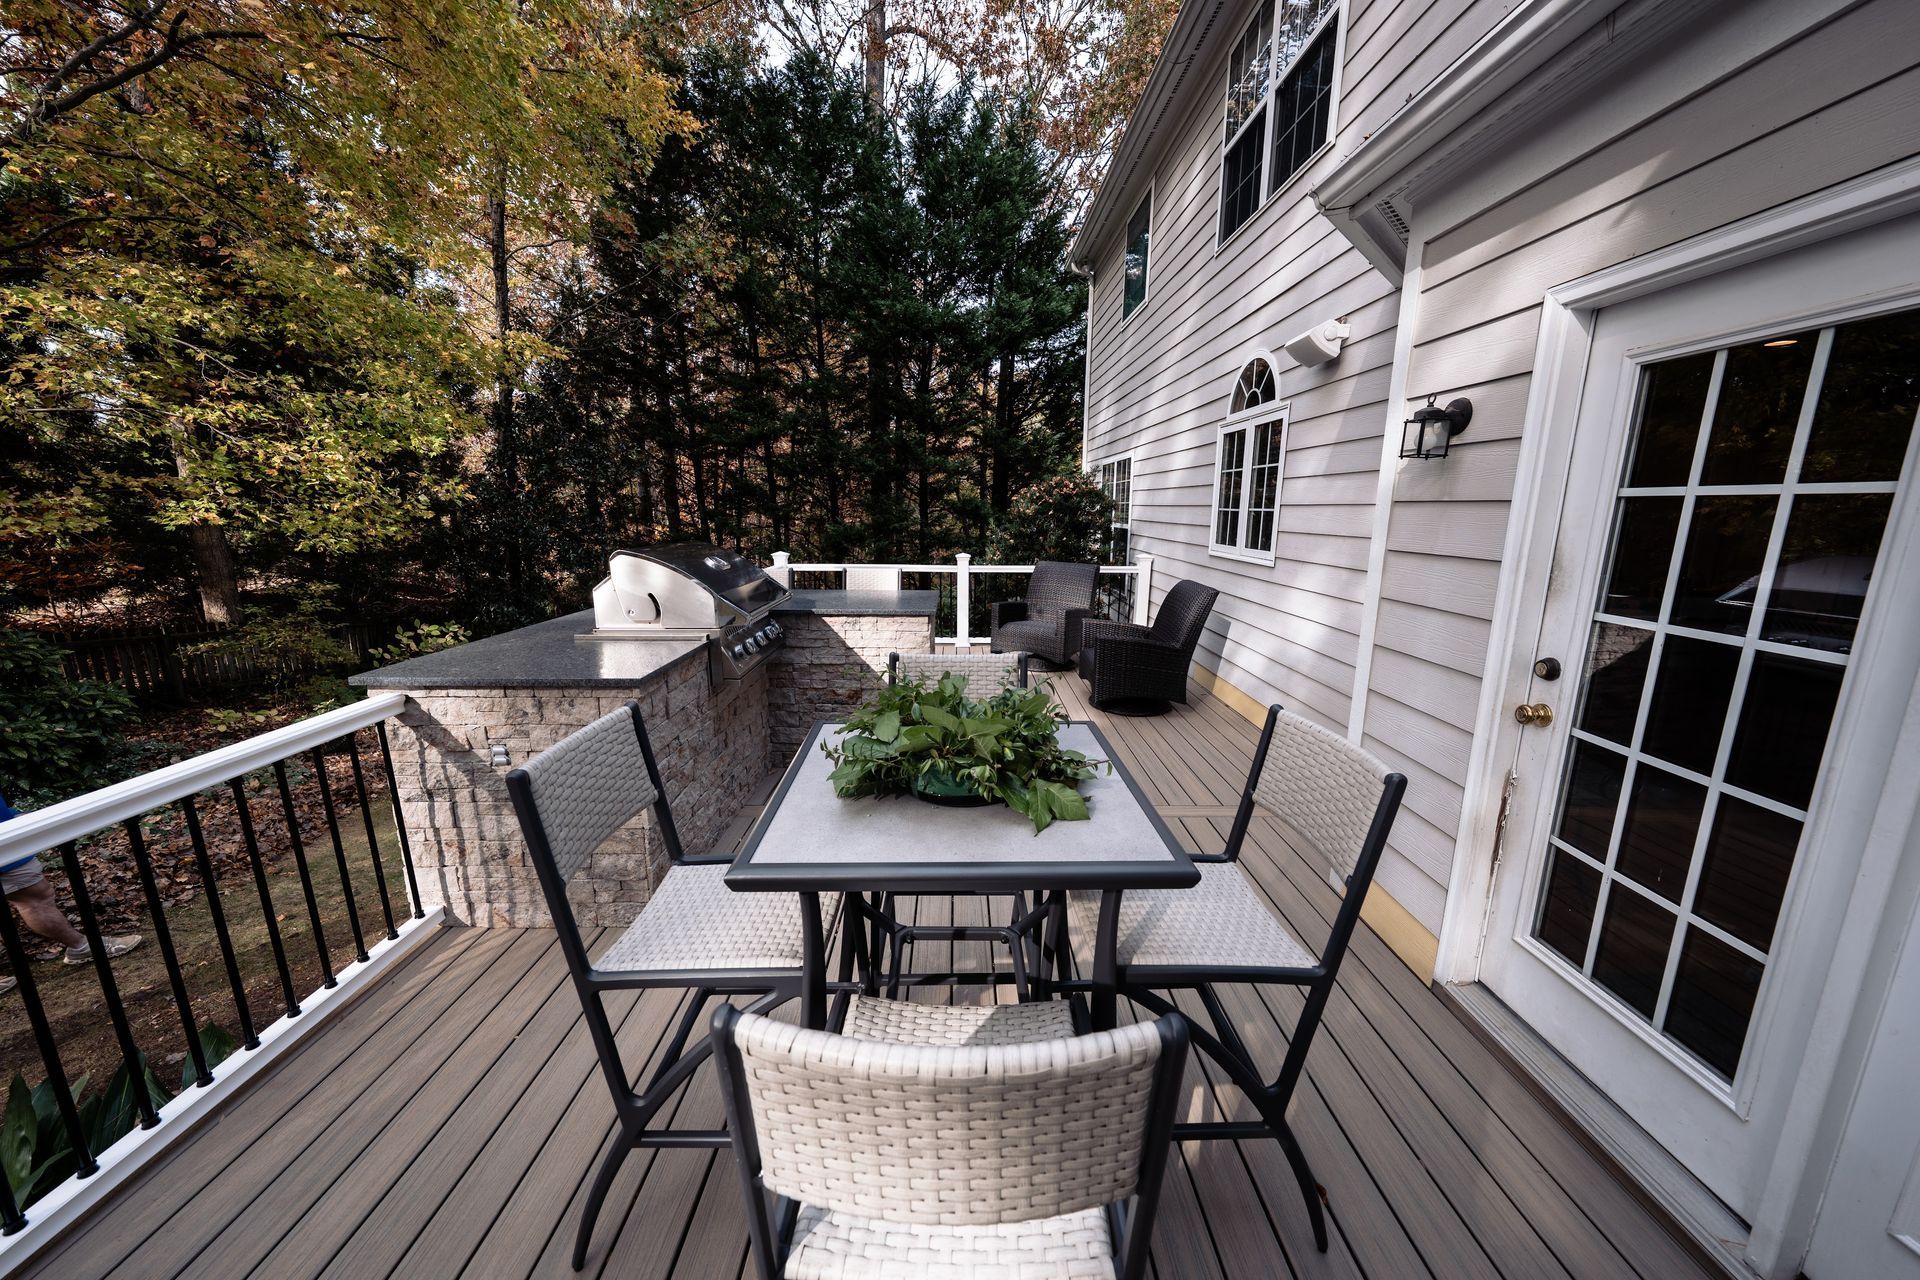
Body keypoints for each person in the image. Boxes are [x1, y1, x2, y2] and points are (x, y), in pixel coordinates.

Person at [1, 791, 142, 995]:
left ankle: (81, 946)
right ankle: (82, 946)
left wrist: (11, 816)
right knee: (34, 897)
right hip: (4, 846)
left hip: (5, 834)